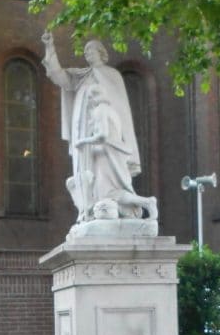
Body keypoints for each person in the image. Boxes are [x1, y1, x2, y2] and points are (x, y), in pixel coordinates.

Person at [41, 32, 157, 223]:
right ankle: (88, 210)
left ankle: (111, 208)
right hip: (83, 132)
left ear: (102, 53)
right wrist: (49, 47)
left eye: (91, 50)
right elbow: (58, 75)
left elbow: (121, 110)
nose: (87, 54)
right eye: (85, 51)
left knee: (105, 178)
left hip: (104, 139)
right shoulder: (81, 77)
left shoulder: (112, 75)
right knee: (85, 176)